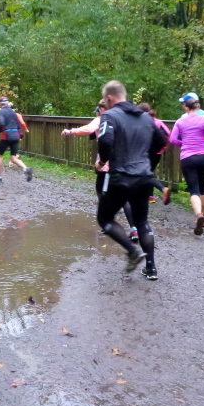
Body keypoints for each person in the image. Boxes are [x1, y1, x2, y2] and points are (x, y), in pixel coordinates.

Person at [96, 81, 166, 280]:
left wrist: (102, 161)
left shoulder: (110, 116)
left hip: (121, 176)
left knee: (105, 218)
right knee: (142, 221)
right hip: (143, 176)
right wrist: (144, 160)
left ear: (109, 98)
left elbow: (105, 140)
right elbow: (161, 141)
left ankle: (133, 251)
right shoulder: (145, 117)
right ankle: (151, 268)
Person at [62, 100, 140, 242]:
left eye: (98, 110)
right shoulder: (123, 119)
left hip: (107, 164)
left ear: (102, 109)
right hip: (125, 163)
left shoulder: (103, 119)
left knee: (101, 191)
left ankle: (108, 223)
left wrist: (70, 131)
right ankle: (134, 229)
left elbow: (89, 128)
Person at [169, 96, 204, 236]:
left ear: (186, 108)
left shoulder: (180, 121)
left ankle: (198, 215)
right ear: (197, 107)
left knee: (194, 190)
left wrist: (183, 144)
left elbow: (172, 139)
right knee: (203, 188)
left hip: (187, 158)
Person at [0, 96, 33, 183]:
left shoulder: (1, 112)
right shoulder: (13, 112)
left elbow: (1, 123)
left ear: (0, 104)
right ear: (7, 103)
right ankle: (26, 169)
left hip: (6, 136)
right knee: (13, 157)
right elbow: (18, 125)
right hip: (15, 136)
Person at [138, 103, 171, 205]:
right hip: (157, 152)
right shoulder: (158, 122)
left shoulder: (141, 121)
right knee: (149, 172)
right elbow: (168, 134)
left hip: (144, 152)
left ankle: (161, 189)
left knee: (144, 173)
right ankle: (150, 196)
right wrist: (162, 148)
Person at [7, 102, 29, 168]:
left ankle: (13, 160)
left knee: (11, 146)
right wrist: (26, 129)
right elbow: (22, 123)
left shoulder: (7, 115)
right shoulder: (17, 115)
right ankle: (15, 157)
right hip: (18, 132)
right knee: (13, 146)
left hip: (11, 132)